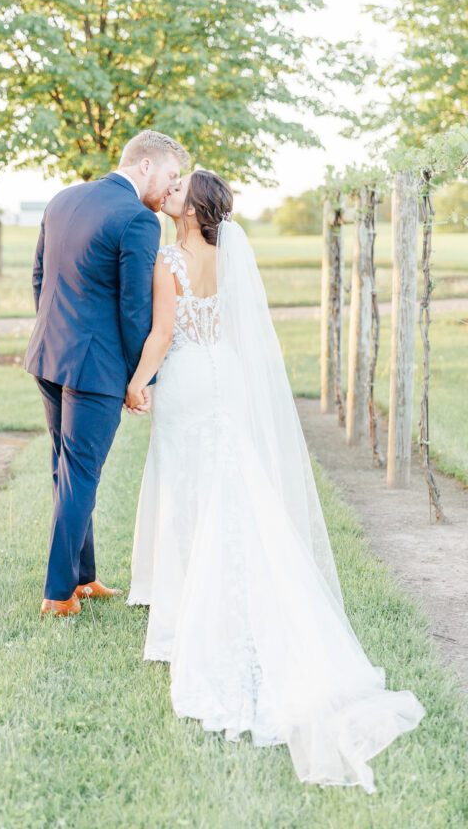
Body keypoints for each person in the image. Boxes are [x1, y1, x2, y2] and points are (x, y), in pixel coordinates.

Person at [125, 168, 425, 793]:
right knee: (234, 496)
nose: (170, 192)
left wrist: (136, 383)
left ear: (192, 209)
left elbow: (162, 333)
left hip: (185, 382)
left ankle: (189, 621)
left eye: (180, 191)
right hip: (227, 377)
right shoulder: (228, 255)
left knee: (190, 502)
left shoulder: (168, 259)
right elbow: (232, 329)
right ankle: (227, 604)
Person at [24, 130, 190, 616]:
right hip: (94, 369)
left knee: (69, 470)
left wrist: (55, 332)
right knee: (79, 474)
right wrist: (142, 380)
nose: (172, 187)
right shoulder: (139, 220)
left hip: (49, 355)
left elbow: (39, 277)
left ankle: (84, 577)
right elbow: (135, 310)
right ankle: (58, 595)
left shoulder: (63, 199)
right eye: (171, 176)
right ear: (145, 167)